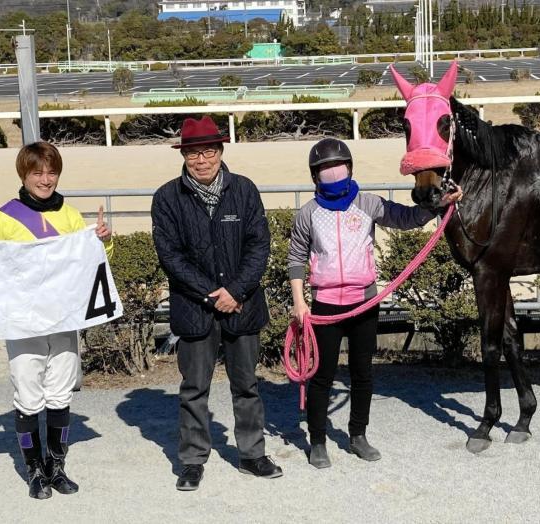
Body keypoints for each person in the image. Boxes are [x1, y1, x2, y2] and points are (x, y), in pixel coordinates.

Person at [287, 137, 462, 469]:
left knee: (362, 373)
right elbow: (296, 259)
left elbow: (407, 218)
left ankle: (358, 435)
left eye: (338, 166)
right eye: (325, 169)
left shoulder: (368, 204)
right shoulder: (308, 214)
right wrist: (300, 303)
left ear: (351, 168)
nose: (333, 173)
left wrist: (439, 203)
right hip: (324, 306)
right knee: (322, 376)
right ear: (315, 176)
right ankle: (318, 441)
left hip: (364, 303)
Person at [0, 141, 112, 499]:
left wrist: (103, 242)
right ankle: (34, 469)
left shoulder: (70, 214)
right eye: (37, 173)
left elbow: (88, 262)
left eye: (51, 172)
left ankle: (57, 466)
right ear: (24, 174)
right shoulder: (3, 217)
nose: (45, 180)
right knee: (29, 397)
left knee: (60, 394)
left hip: (63, 320)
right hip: (22, 323)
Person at [151, 116, 281, 491]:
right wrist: (212, 294)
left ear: (221, 151)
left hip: (242, 305)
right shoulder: (167, 198)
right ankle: (192, 459)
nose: (201, 159)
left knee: (247, 385)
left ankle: (252, 453)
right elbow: (170, 257)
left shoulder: (244, 190)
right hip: (195, 309)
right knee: (194, 388)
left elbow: (259, 246)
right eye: (193, 152)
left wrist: (235, 292)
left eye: (208, 151)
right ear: (184, 155)